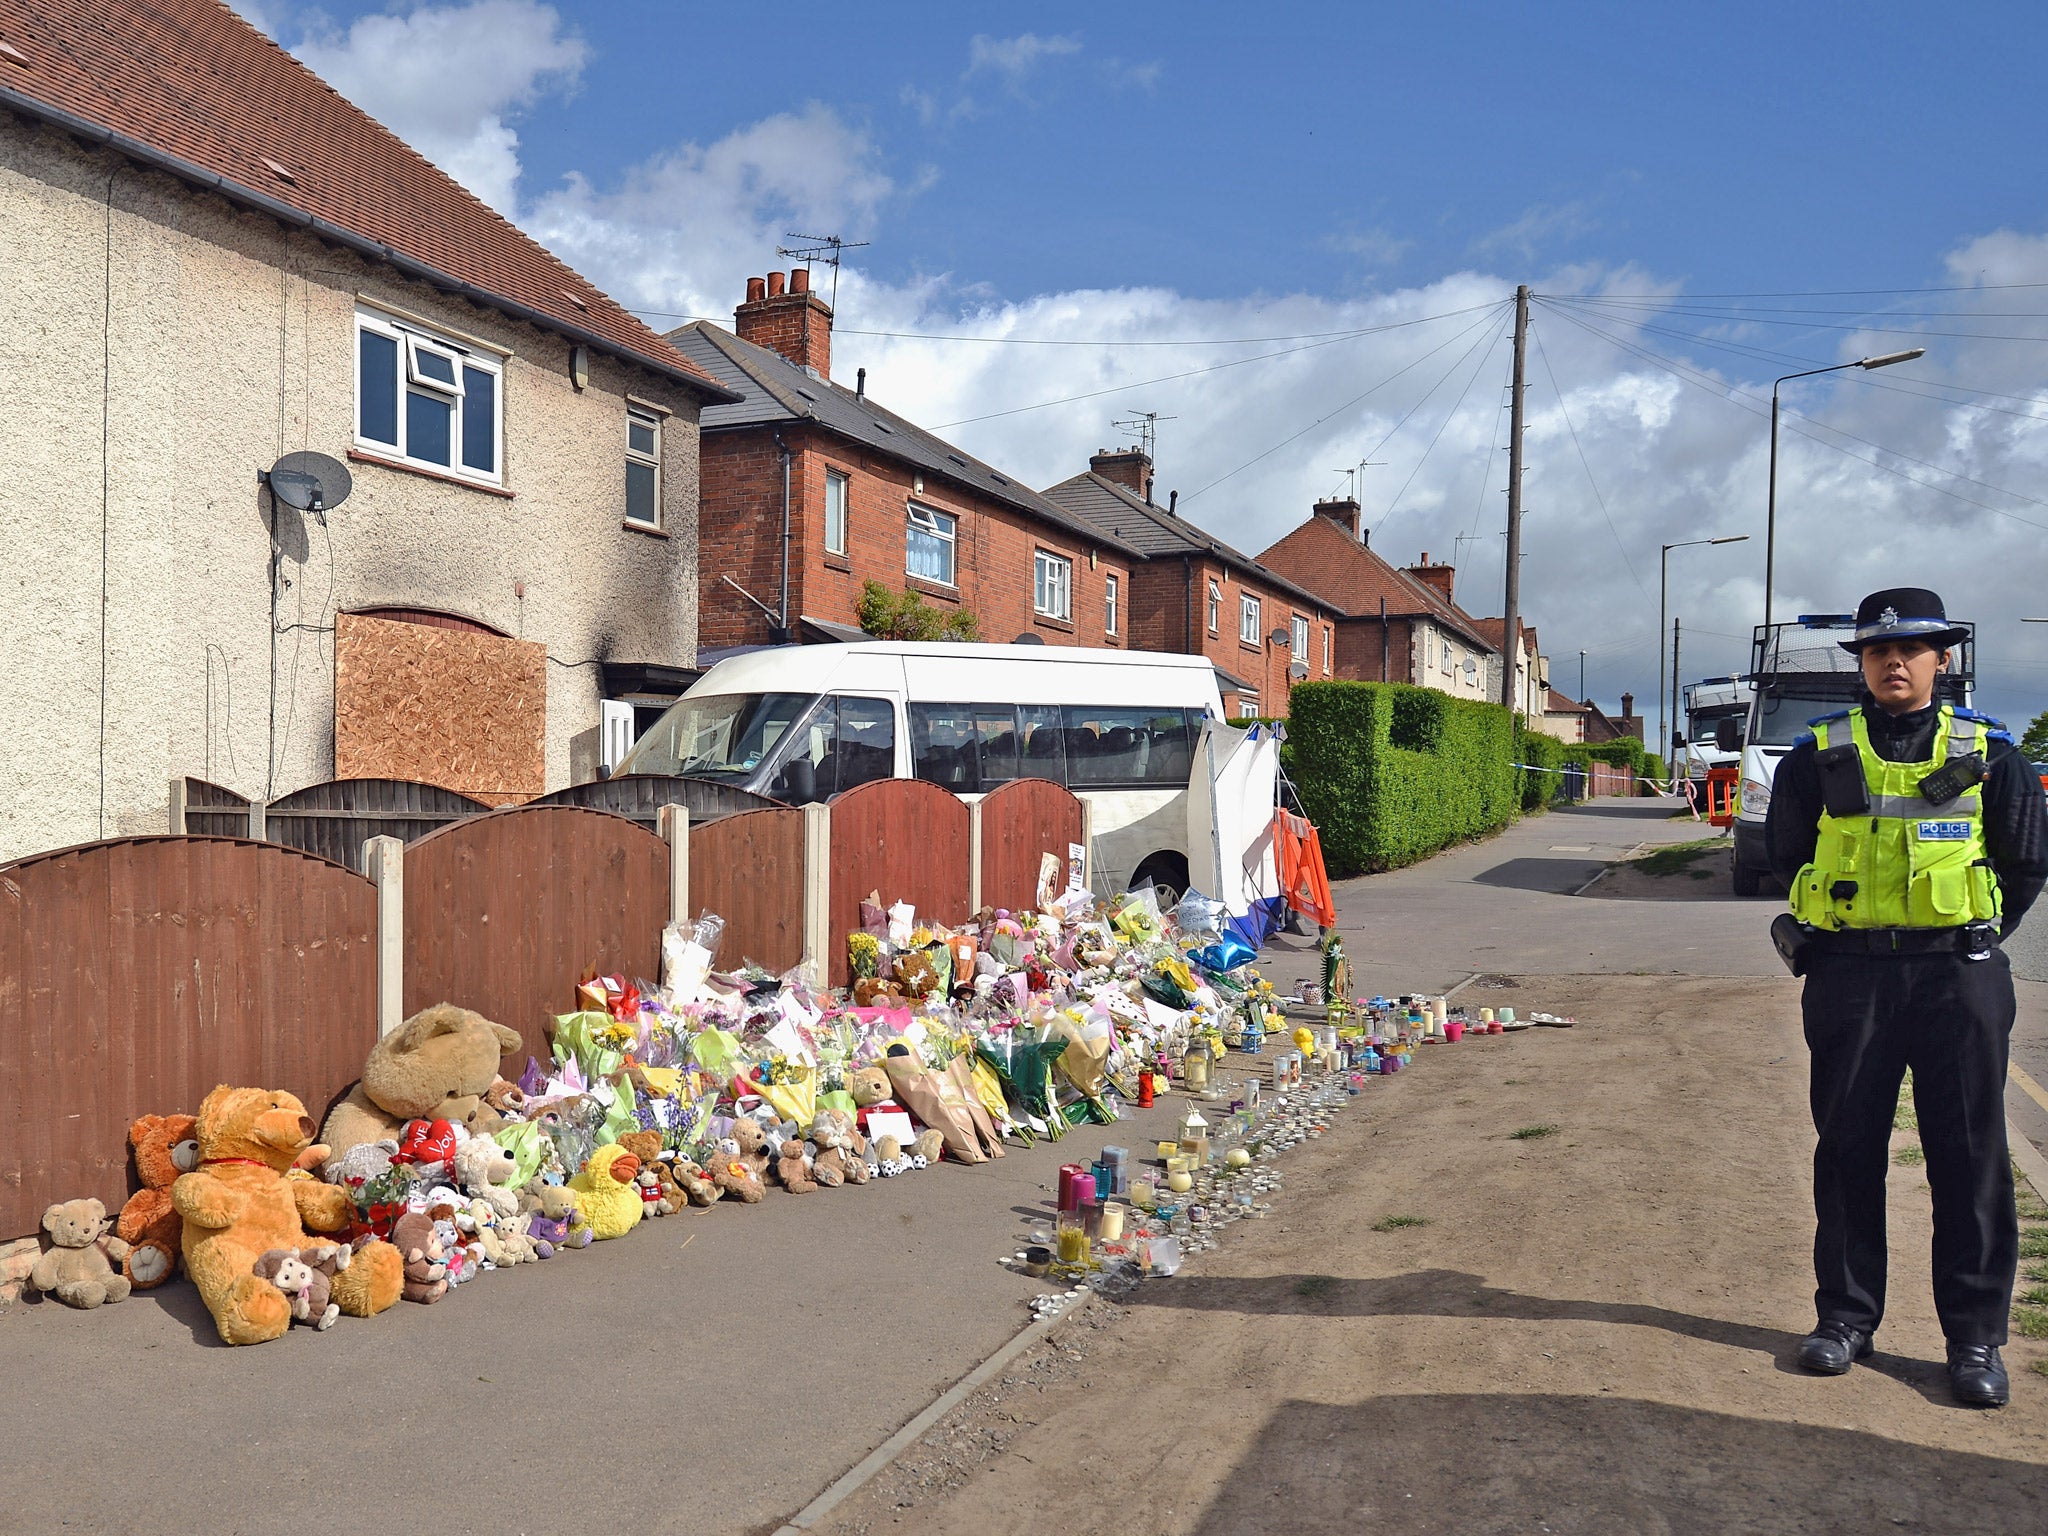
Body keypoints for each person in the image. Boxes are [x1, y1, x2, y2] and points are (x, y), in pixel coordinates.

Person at [1765, 588, 2047, 1407]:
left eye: (1913, 649)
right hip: (1850, 976)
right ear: (1860, 659)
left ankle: (1975, 1340)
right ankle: (1846, 1320)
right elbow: (1788, 855)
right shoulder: (1816, 753)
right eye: (1879, 650)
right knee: (1848, 1147)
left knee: (1970, 1154)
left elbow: (2026, 863)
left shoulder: (1992, 751)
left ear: (1942, 659)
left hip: (1959, 975)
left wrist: (1971, 934)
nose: (1895, 662)